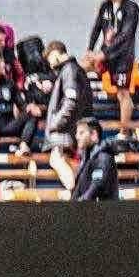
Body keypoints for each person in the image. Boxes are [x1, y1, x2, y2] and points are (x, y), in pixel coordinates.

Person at [85, 0, 139, 139]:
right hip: (105, 55)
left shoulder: (131, 8)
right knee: (80, 67)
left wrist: (105, 53)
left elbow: (125, 35)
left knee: (123, 93)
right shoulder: (105, 6)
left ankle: (124, 132)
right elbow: (96, 28)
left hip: (122, 58)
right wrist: (90, 49)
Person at [44, 41, 93, 190]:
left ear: (55, 53)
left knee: (56, 160)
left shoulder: (69, 70)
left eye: (50, 58)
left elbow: (70, 101)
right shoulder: (75, 70)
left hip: (64, 132)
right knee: (73, 166)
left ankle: (75, 195)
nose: (50, 64)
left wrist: (55, 124)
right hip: (73, 130)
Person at [72, 117, 118, 201]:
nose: (77, 136)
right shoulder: (87, 156)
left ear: (94, 135)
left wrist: (81, 201)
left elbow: (97, 185)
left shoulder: (103, 156)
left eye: (81, 133)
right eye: (77, 133)